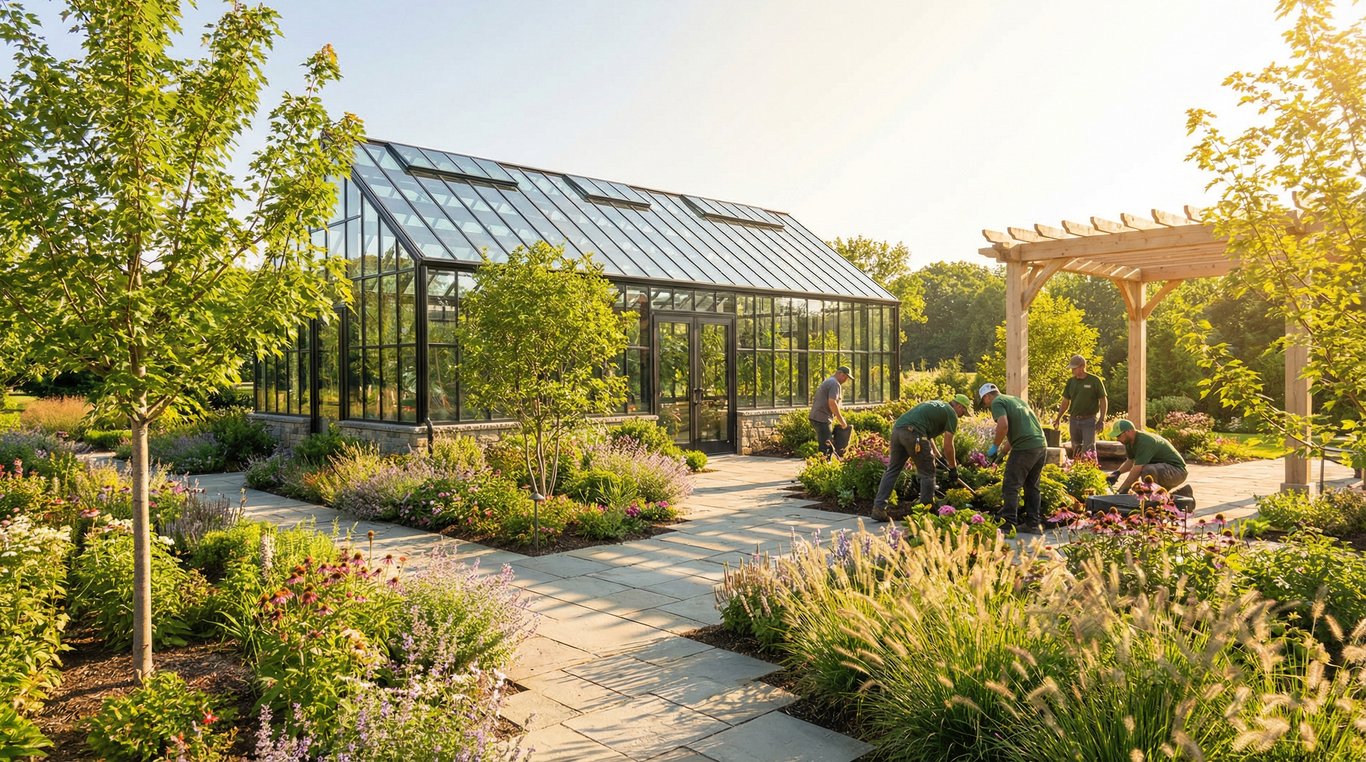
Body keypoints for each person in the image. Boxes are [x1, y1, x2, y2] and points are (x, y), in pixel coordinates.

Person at [871, 394, 972, 522]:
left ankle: (878, 508)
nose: (962, 414)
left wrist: (938, 455)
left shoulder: (938, 405)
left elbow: (929, 434)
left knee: (893, 470)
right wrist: (953, 468)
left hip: (898, 431)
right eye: (964, 411)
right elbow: (948, 445)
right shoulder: (951, 414)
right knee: (928, 473)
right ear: (958, 405)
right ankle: (926, 513)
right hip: (914, 434)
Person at [979, 382, 1047, 534]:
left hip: (1025, 448)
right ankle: (1033, 524)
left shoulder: (997, 402)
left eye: (984, 400)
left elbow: (1003, 426)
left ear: (988, 396)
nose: (985, 404)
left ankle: (1008, 523)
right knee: (1032, 486)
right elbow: (1015, 432)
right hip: (1040, 445)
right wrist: (1003, 453)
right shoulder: (1016, 400)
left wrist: (994, 446)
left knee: (1011, 485)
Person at [1108, 419, 1188, 493]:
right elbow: (1131, 461)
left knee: (1147, 470)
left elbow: (1137, 469)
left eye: (1118, 436)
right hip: (1163, 469)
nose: (1117, 439)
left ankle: (1151, 497)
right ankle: (1171, 494)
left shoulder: (1145, 442)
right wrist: (1117, 473)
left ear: (1129, 431)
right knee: (1144, 472)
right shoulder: (1129, 442)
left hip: (1177, 472)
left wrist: (1123, 489)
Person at [1054, 354, 1107, 459]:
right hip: (1074, 420)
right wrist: (1058, 418)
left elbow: (1103, 400)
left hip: (1089, 420)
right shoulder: (1071, 382)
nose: (1072, 371)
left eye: (1074, 368)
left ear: (1082, 366)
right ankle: (1078, 471)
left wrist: (1101, 419)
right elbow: (1065, 401)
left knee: (1089, 449)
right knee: (1076, 448)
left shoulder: (1094, 381)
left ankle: (1091, 471)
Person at [809, 366, 851, 458]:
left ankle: (824, 464)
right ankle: (823, 467)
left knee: (826, 443)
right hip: (822, 417)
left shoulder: (830, 381)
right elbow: (832, 403)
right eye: (845, 377)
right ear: (840, 374)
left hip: (818, 416)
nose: (845, 380)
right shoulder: (834, 383)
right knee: (826, 446)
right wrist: (842, 421)